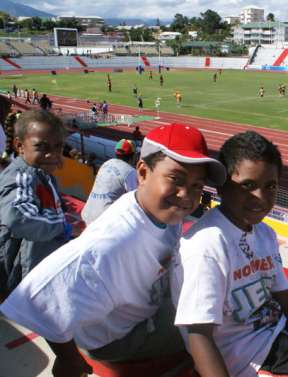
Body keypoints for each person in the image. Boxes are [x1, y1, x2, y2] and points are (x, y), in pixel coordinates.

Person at [0, 123, 227, 377]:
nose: (186, 195)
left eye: (197, 186)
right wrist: (68, 360)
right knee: (219, 317)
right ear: (142, 172)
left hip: (136, 311)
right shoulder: (112, 240)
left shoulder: (162, 213)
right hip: (120, 337)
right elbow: (36, 301)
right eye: (176, 179)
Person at [173, 131, 288, 377]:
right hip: (252, 360)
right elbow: (199, 334)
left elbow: (287, 300)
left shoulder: (265, 234)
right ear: (222, 187)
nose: (260, 198)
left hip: (283, 336)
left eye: (270, 186)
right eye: (248, 186)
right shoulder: (207, 246)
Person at [0, 110, 71, 296]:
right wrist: (62, 227)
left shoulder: (44, 175)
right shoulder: (22, 176)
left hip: (40, 269)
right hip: (22, 279)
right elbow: (18, 216)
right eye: (41, 147)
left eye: (58, 147)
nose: (52, 155)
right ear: (19, 146)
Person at [81, 139, 138, 225]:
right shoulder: (130, 172)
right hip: (103, 222)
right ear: (133, 156)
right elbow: (137, 201)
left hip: (86, 215)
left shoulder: (106, 164)